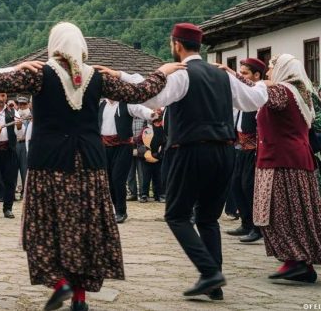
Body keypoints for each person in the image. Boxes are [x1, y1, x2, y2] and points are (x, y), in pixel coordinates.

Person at [0, 21, 182, 311]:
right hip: (89, 165)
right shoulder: (97, 77)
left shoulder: (39, 75)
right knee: (84, 229)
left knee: (45, 226)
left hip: (49, 164)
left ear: (53, 46)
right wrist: (163, 71)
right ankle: (80, 299)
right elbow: (139, 92)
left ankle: (61, 285)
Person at [116, 23, 268, 300]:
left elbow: (152, 97)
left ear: (176, 44)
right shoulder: (222, 75)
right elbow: (257, 98)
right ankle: (214, 286)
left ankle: (210, 272)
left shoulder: (182, 74)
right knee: (208, 218)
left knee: (176, 215)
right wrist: (238, 76)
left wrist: (127, 76)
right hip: (225, 152)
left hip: (192, 151)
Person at [227, 54, 321, 282]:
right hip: (291, 159)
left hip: (282, 161)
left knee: (282, 211)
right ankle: (298, 263)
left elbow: (257, 94)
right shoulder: (298, 92)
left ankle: (297, 261)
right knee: (291, 211)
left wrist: (232, 76)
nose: (269, 73)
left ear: (283, 70)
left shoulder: (282, 91)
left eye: (271, 68)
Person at [225, 58, 266, 244]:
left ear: (257, 75)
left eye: (245, 73)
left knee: (249, 187)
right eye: (240, 72)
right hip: (241, 147)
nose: (241, 76)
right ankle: (246, 223)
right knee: (236, 185)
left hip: (254, 149)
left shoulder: (259, 94)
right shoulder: (245, 95)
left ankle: (257, 228)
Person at [98, 99, 155, 223]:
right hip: (104, 147)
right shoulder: (101, 104)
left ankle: (121, 211)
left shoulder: (126, 104)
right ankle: (114, 208)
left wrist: (151, 114)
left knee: (118, 178)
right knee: (108, 180)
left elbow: (140, 109)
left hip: (123, 146)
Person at [16, 96, 32, 196]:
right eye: (20, 104)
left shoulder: (32, 115)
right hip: (15, 143)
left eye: (24, 104)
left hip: (26, 144)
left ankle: (24, 191)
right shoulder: (14, 114)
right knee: (13, 168)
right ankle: (12, 192)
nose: (21, 106)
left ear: (28, 105)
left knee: (24, 169)